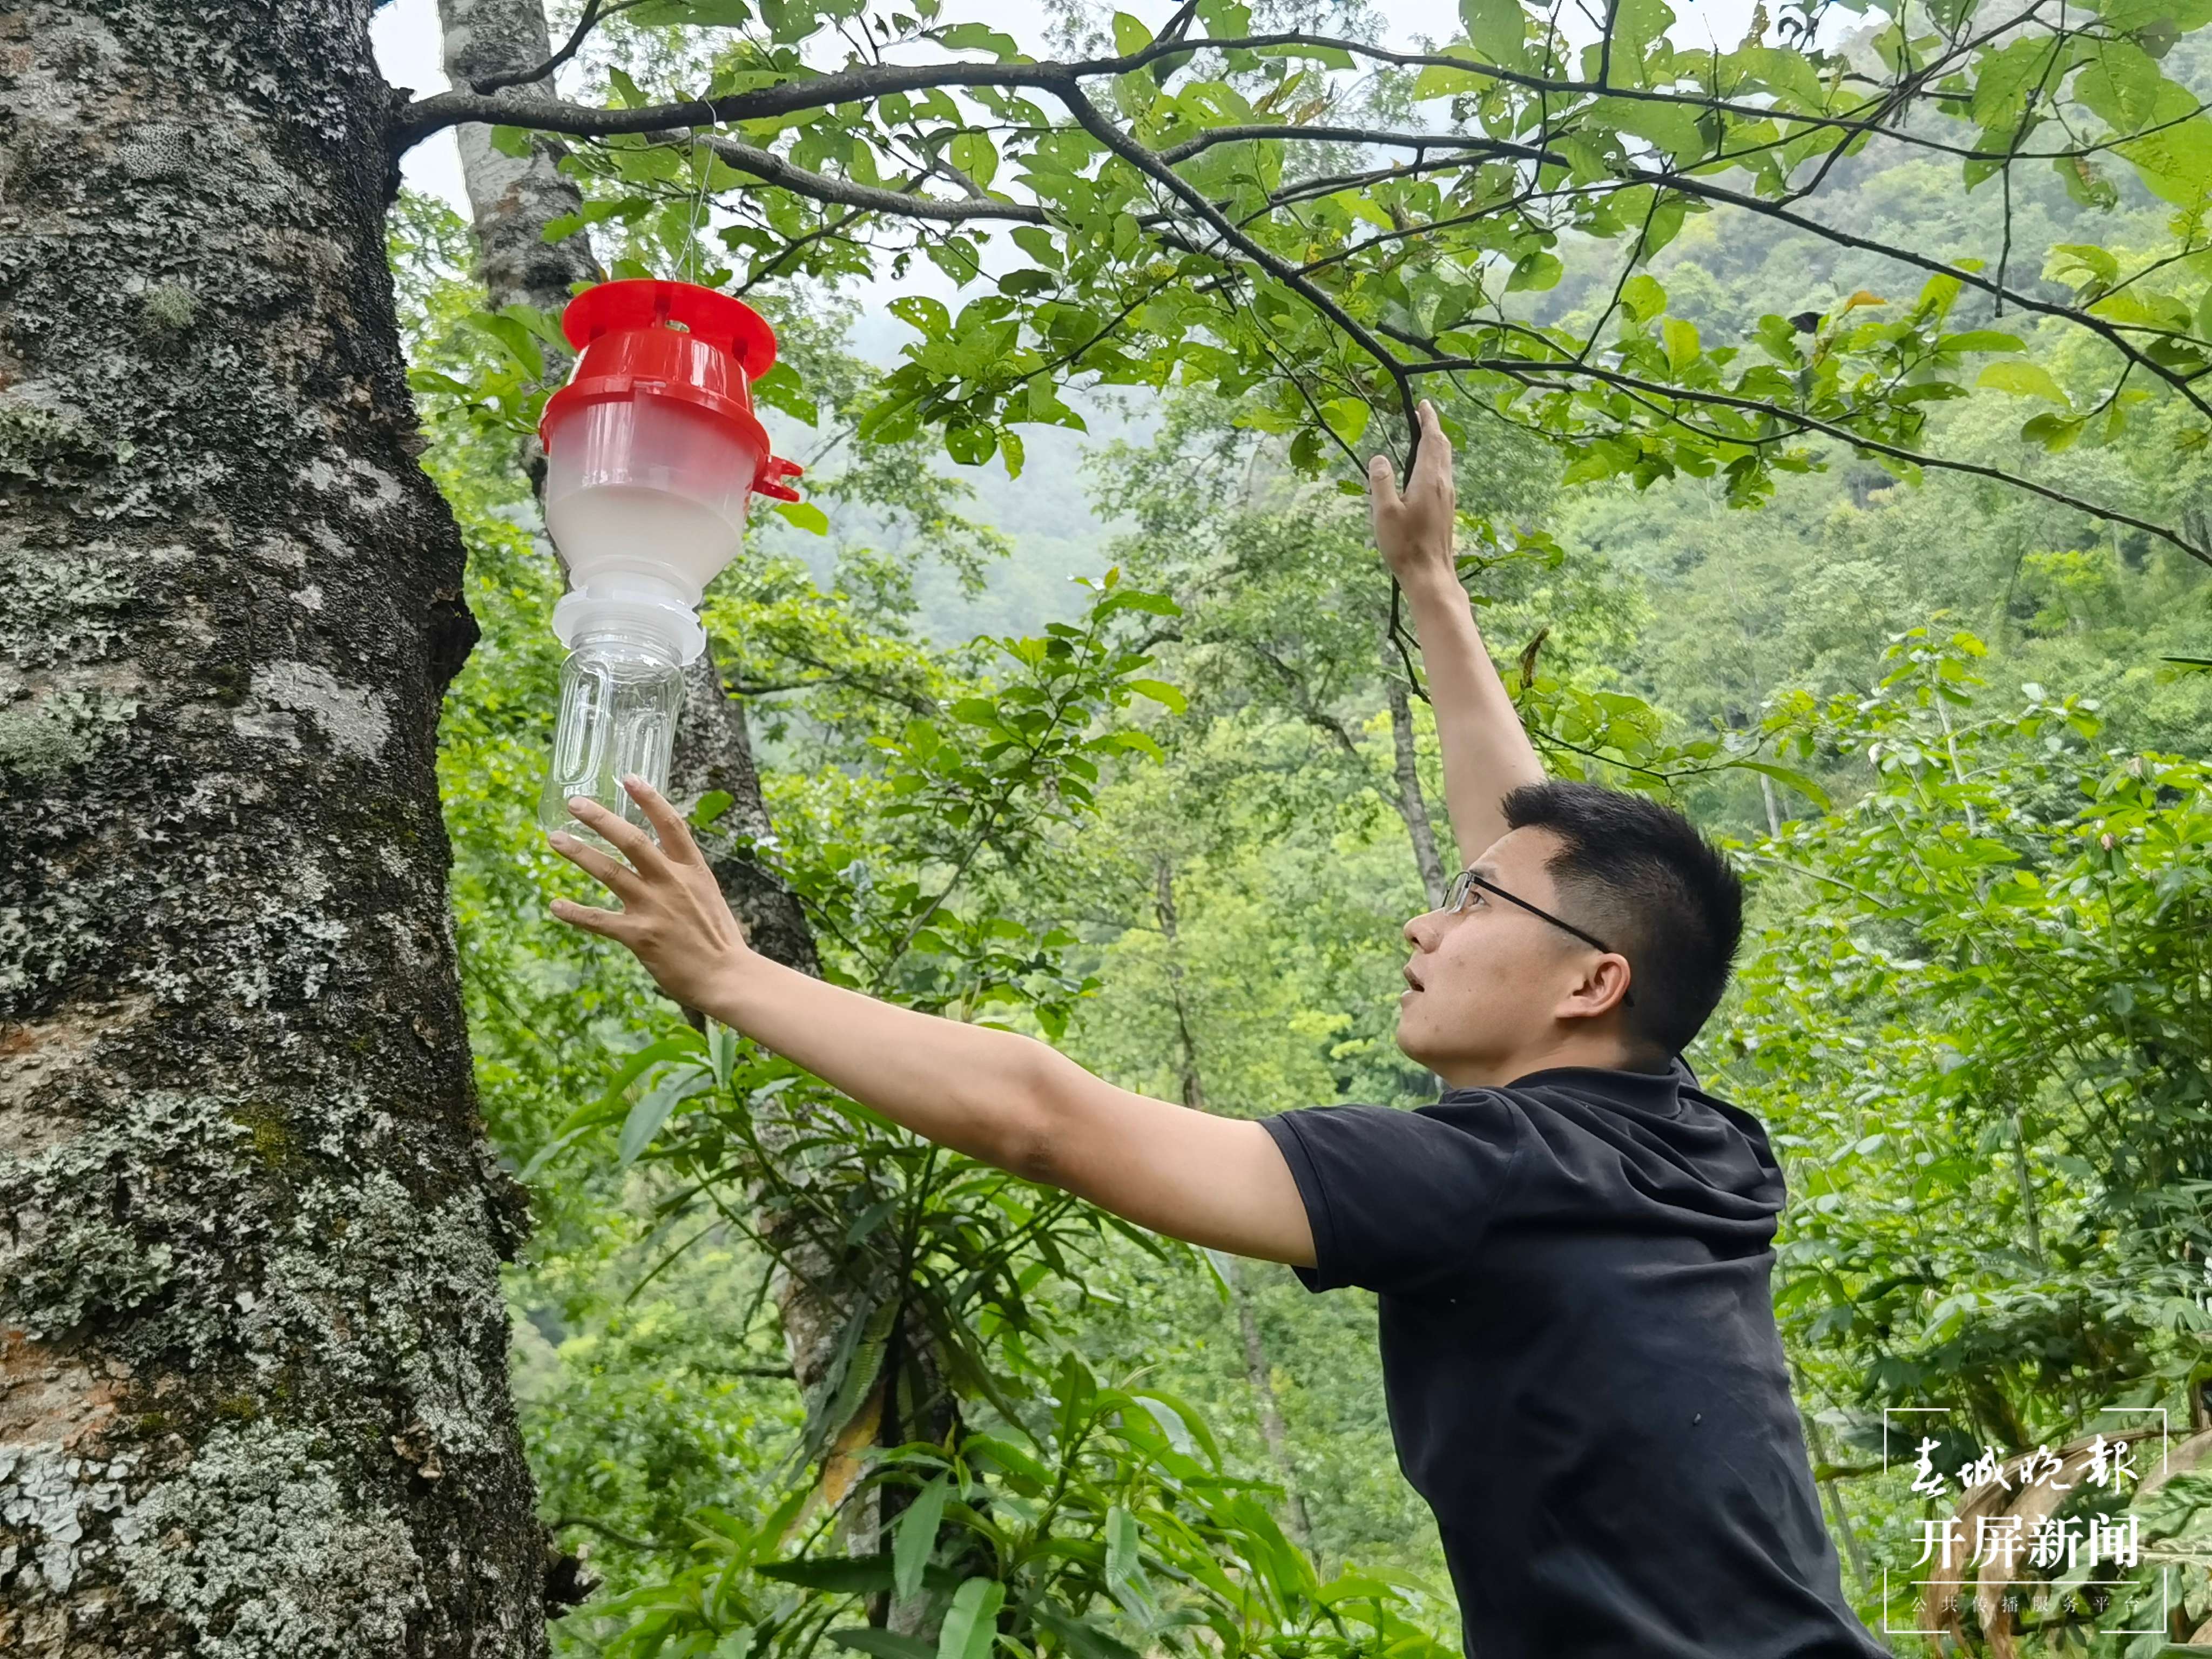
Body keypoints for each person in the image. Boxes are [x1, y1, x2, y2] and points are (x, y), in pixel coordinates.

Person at [546, 401, 1891, 1659]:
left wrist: (730, 977)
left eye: (1464, 905)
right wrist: (1430, 584)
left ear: (1590, 986)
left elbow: (1042, 1115)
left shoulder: (1487, 1175)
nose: (1424, 926)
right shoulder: (1692, 1139)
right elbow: (1526, 848)